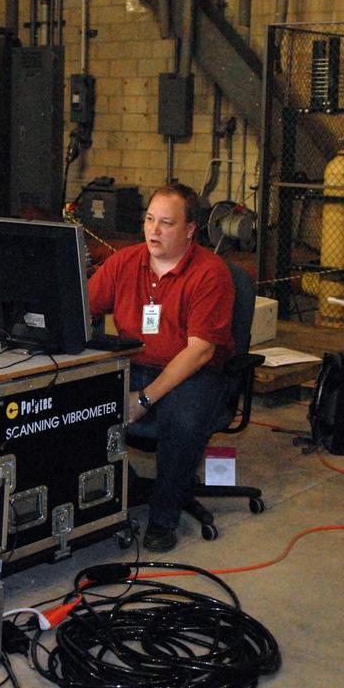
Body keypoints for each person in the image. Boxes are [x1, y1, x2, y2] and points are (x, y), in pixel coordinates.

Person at [87, 183, 236, 551]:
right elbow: (79, 306)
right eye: (150, 219)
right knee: (73, 400)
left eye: (166, 223)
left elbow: (199, 352)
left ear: (190, 230)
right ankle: (120, 489)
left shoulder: (210, 273)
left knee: (181, 419)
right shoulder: (125, 262)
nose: (154, 230)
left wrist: (145, 398)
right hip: (133, 363)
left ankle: (163, 516)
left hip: (192, 371)